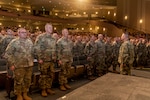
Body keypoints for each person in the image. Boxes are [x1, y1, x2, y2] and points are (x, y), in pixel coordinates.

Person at [4, 28, 34, 100]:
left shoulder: (29, 42)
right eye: (23, 32)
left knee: (27, 80)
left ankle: (25, 93)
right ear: (19, 33)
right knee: (18, 81)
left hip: (29, 65)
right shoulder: (14, 42)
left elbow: (33, 52)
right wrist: (11, 64)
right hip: (19, 65)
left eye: (25, 32)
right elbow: (8, 54)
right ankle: (18, 95)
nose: (25, 34)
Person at [34, 23, 56, 97]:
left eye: (52, 27)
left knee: (50, 75)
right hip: (44, 60)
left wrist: (55, 57)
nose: (51, 29)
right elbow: (37, 48)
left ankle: (48, 88)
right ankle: (43, 89)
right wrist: (39, 58)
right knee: (43, 75)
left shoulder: (53, 38)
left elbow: (54, 49)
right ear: (46, 28)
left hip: (51, 60)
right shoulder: (40, 37)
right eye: (49, 27)